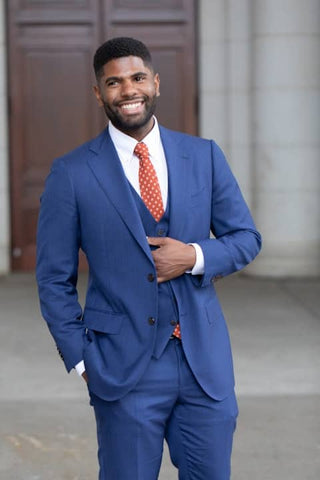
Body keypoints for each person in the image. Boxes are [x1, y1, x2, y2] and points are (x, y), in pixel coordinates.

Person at [36, 37, 262, 480]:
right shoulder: (72, 173)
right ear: (98, 94)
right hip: (122, 369)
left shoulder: (204, 155)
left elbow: (245, 238)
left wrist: (194, 255)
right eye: (113, 82)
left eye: (137, 77)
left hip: (204, 366)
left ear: (155, 82)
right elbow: (53, 279)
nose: (128, 90)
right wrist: (82, 360)